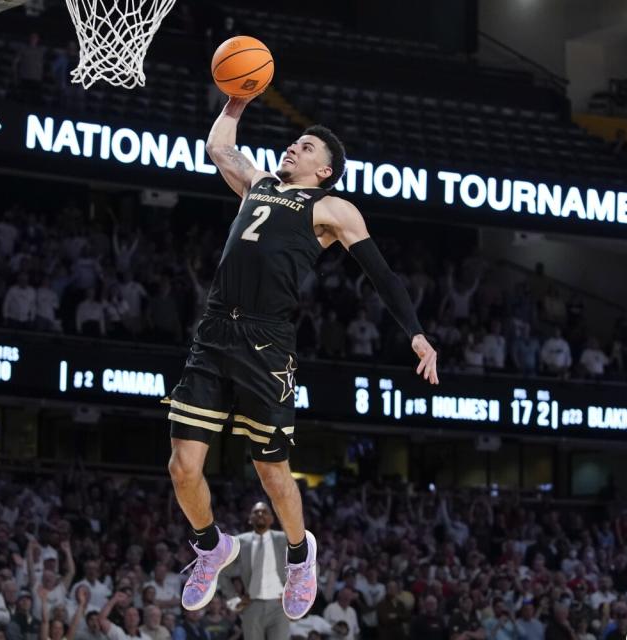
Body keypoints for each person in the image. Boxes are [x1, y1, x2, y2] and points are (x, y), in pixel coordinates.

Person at [166, 95, 439, 621]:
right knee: (181, 467)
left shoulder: (331, 209)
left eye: (306, 146)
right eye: (294, 141)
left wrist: (416, 333)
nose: (294, 146)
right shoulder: (260, 182)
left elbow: (381, 274)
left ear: (325, 169)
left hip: (267, 344)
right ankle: (211, 547)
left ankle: (299, 556)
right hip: (214, 331)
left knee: (272, 473)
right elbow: (220, 148)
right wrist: (236, 100)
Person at [230, 502, 289, 640]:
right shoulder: (238, 542)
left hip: (279, 604)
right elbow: (223, 573)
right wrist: (234, 601)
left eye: (264, 511)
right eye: (256, 512)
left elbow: (308, 563)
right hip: (252, 603)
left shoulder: (285, 539)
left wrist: (299, 596)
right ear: (250, 518)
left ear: (272, 519)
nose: (260, 514)